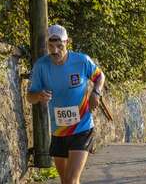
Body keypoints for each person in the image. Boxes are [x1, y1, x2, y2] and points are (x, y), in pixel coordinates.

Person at [27, 24, 105, 184]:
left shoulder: (82, 60)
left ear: (67, 42)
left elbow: (100, 76)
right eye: (51, 46)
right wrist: (39, 96)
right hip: (59, 131)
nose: (55, 51)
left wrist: (96, 92)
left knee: (71, 180)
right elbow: (30, 97)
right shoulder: (41, 66)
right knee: (64, 181)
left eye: (59, 46)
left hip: (82, 128)